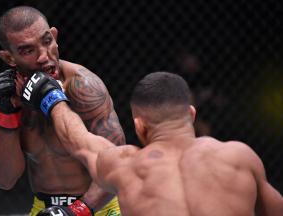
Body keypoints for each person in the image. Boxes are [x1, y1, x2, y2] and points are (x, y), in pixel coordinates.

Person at [22, 71, 283, 216]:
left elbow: (80, 142)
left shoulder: (125, 166)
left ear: (139, 126)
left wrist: (51, 96)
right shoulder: (239, 156)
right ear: (191, 114)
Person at [0, 6, 125, 216]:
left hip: (99, 207)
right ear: (9, 58)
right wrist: (8, 117)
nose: (44, 56)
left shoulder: (83, 87)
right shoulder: (7, 96)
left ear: (55, 36)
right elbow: (5, 179)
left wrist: (78, 211)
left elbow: (117, 166)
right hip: (44, 208)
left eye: (47, 41)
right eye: (28, 50)